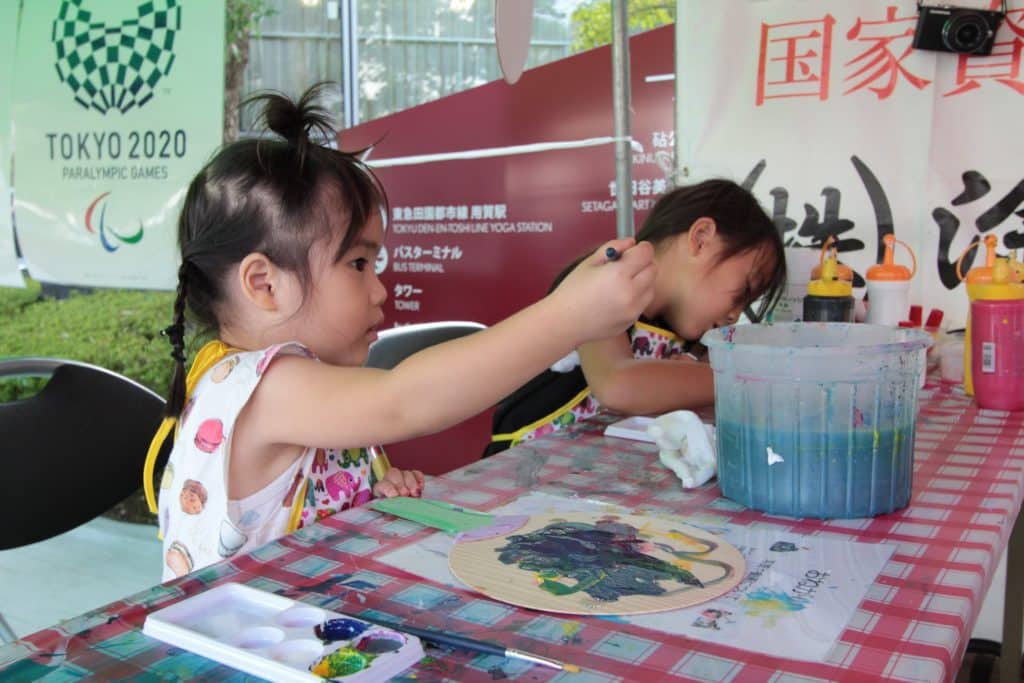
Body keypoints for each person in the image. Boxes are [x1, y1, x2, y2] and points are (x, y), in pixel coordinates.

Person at [144, 83, 655, 580]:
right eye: (358, 264)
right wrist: (568, 316)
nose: (380, 290)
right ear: (265, 284)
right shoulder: (264, 388)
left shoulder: (294, 385)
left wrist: (371, 488)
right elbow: (405, 401)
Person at [487, 179, 785, 455]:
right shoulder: (603, 281)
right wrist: (745, 381)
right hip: (518, 462)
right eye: (744, 291)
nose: (735, 315)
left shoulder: (681, 326)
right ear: (701, 238)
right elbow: (617, 384)